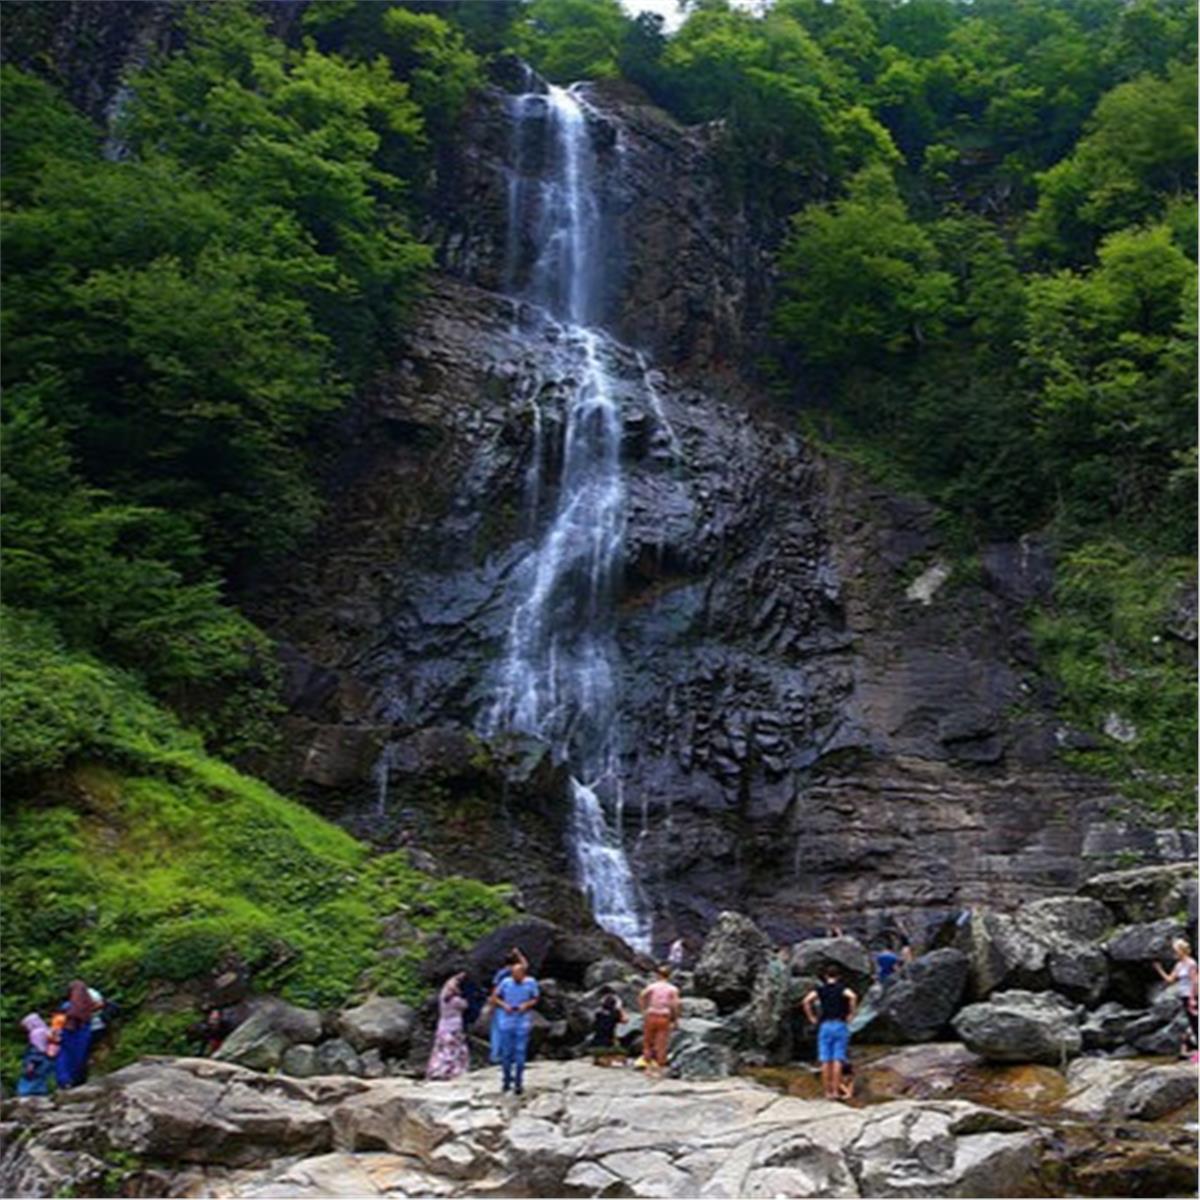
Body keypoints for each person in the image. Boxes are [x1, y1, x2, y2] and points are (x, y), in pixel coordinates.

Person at [802, 966, 858, 1101]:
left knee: (825, 1060)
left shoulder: (820, 990)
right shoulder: (842, 989)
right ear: (838, 976)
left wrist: (811, 1017)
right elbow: (853, 996)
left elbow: (806, 1001)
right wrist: (851, 1013)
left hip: (825, 1025)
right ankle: (835, 1091)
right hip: (840, 1024)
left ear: (826, 977)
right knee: (838, 1059)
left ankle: (827, 1092)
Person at [491, 958, 539, 1095]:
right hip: (507, 1021)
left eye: (517, 974)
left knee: (520, 1052)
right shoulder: (506, 982)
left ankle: (518, 1082)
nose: (515, 977)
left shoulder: (531, 982)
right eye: (513, 974)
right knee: (506, 1053)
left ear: (523, 974)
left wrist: (526, 1005)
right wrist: (504, 1005)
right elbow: (495, 997)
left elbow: (535, 998)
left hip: (522, 1021)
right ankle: (506, 1081)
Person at [1153, 938, 1198, 1058]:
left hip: (1192, 996)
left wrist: (1193, 998)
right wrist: (1159, 969)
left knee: (1196, 1023)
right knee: (1192, 1023)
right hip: (1184, 995)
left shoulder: (1191, 963)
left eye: (1176, 951)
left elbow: (1195, 982)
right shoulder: (1179, 965)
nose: (1174, 953)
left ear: (1182, 951)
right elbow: (1170, 980)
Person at [427, 972, 470, 1081]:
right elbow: (466, 1005)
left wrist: (457, 977)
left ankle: (437, 1070)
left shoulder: (442, 998)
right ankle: (451, 1071)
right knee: (454, 1051)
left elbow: (447, 985)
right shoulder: (457, 1001)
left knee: (441, 1049)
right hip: (454, 1028)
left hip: (443, 1027)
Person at [638, 965, 682, 1073]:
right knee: (661, 1043)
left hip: (651, 1014)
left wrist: (644, 1009)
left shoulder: (652, 986)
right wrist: (675, 1019)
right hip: (664, 1016)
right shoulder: (672, 989)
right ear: (669, 976)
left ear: (658, 975)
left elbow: (642, 996)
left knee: (647, 1041)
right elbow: (675, 1005)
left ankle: (647, 1063)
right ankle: (659, 1066)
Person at [489, 948, 529, 1065]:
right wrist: (519, 954)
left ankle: (497, 1055)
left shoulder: (500, 973)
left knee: (499, 1031)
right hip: (511, 1004)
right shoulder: (511, 973)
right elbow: (525, 965)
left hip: (503, 1005)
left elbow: (494, 992)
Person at [55, 980, 96, 1089]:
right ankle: (76, 1080)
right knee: (79, 1057)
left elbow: (59, 1022)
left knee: (64, 1057)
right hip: (83, 1032)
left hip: (69, 1032)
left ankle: (65, 1081)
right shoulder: (88, 1004)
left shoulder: (67, 1006)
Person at [16, 1014, 54, 1097]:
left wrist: (31, 1063)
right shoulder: (47, 1030)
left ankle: (26, 1094)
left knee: (30, 1078)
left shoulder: (35, 1033)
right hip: (46, 1059)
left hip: (37, 1060)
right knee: (41, 1078)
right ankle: (41, 1093)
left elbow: (35, 1049)